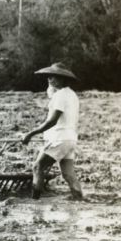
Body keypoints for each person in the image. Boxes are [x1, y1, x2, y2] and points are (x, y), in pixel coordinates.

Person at [22, 62, 83, 201]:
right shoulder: (72, 95)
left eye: (54, 77)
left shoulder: (60, 95)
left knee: (38, 167)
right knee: (68, 174)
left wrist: (30, 134)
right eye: (49, 76)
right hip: (70, 139)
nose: (50, 79)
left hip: (59, 138)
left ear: (62, 79)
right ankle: (79, 200)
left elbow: (52, 121)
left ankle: (35, 203)